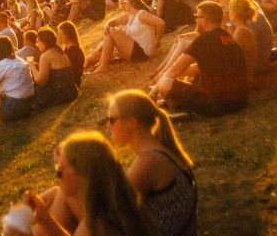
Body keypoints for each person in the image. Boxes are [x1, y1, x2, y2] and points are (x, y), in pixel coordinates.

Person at [22, 131, 153, 236]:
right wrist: (46, 220)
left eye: (60, 172)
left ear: (84, 175)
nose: (57, 176)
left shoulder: (95, 226)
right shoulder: (122, 202)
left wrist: (42, 222)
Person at [107, 90, 196, 236]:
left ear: (131, 123)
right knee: (56, 193)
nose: (108, 126)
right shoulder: (159, 150)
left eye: (111, 120)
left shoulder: (149, 162)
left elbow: (108, 212)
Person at [153, 1, 248, 116]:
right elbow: (199, 68)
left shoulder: (203, 40)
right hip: (239, 101)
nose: (196, 19)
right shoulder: (229, 38)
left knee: (166, 82)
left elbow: (175, 70)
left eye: (197, 16)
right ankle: (174, 105)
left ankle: (181, 109)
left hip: (217, 105)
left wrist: (155, 90)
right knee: (192, 78)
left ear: (206, 19)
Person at [85, 0, 164, 74]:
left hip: (142, 53)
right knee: (100, 49)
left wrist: (157, 41)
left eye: (126, 3)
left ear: (132, 4)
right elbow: (113, 21)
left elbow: (161, 23)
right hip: (133, 49)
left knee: (111, 31)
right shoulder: (130, 15)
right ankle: (85, 66)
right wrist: (106, 26)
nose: (123, 5)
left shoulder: (141, 14)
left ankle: (103, 66)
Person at [31, 27, 78, 109]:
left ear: (44, 41)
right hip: (72, 91)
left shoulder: (45, 56)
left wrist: (32, 66)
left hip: (61, 95)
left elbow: (41, 82)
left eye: (38, 40)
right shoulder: (58, 50)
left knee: (31, 93)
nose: (36, 44)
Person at [57, 21, 86, 87]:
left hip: (71, 83)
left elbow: (72, 71)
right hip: (68, 81)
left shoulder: (74, 51)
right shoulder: (68, 48)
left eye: (61, 35)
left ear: (69, 34)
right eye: (59, 35)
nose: (59, 37)